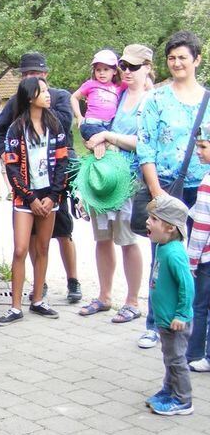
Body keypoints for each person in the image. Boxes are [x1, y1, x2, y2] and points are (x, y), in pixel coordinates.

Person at [136, 31, 210, 349]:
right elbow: (145, 149)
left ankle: (193, 325)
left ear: (197, 59)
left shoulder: (207, 100)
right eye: (172, 58)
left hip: (203, 190)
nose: (177, 63)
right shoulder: (156, 99)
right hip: (166, 188)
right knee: (162, 257)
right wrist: (157, 193)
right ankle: (156, 323)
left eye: (183, 57)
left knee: (200, 262)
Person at [0, 52, 82, 304]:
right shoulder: (16, 106)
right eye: (26, 74)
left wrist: (38, 99)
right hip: (27, 183)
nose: (31, 77)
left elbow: (61, 127)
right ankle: (37, 287)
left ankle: (72, 279)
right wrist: (8, 155)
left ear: (45, 74)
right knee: (29, 239)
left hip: (55, 178)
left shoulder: (59, 97)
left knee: (63, 230)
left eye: (36, 73)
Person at [79, 44, 151, 324]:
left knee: (127, 239)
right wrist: (93, 138)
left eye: (134, 66)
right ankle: (104, 296)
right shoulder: (116, 93)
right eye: (124, 66)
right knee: (102, 238)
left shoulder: (150, 100)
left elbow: (145, 142)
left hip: (130, 181)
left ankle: (132, 301)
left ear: (148, 68)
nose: (127, 72)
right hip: (105, 179)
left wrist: (108, 136)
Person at [0, 77, 69, 326]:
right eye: (43, 91)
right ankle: (15, 307)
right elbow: (12, 167)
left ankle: (38, 300)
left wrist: (52, 196)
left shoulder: (55, 124)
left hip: (49, 197)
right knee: (20, 249)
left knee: (44, 248)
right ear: (29, 97)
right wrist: (30, 197)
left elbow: (62, 163)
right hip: (24, 198)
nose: (48, 95)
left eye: (48, 89)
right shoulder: (16, 128)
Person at [143, 195, 194, 415]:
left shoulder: (174, 254)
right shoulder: (162, 247)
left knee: (176, 360)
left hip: (176, 322)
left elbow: (187, 285)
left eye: (154, 219)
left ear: (170, 227)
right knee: (169, 358)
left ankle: (183, 400)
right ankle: (169, 390)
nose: (148, 222)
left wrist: (182, 314)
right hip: (165, 320)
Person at [186, 124, 210, 371]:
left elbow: (201, 226)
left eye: (203, 147)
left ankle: (193, 354)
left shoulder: (206, 182)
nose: (198, 152)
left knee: (200, 306)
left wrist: (192, 260)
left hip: (206, 260)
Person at [70, 49, 126, 141]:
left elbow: (135, 83)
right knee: (110, 142)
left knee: (111, 141)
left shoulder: (118, 86)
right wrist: (79, 116)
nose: (101, 73)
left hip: (108, 126)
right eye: (98, 70)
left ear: (115, 71)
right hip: (91, 125)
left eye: (106, 69)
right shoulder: (91, 84)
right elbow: (74, 97)